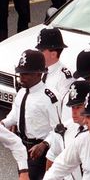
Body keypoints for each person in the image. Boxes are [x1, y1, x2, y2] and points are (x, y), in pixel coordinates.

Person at [1, 50, 57, 180]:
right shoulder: (21, 93)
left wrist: (44, 144)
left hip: (40, 152)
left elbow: (59, 129)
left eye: (26, 73)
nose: (21, 77)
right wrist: (4, 123)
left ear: (38, 73)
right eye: (20, 73)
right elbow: (14, 116)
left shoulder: (50, 97)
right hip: (22, 148)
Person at [45, 80, 90, 180]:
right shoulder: (65, 129)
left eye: (78, 107)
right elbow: (52, 157)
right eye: (72, 107)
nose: (74, 112)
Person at [36, 27, 73, 111]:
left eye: (41, 50)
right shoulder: (37, 70)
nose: (38, 53)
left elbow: (63, 107)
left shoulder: (65, 77)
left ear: (53, 54)